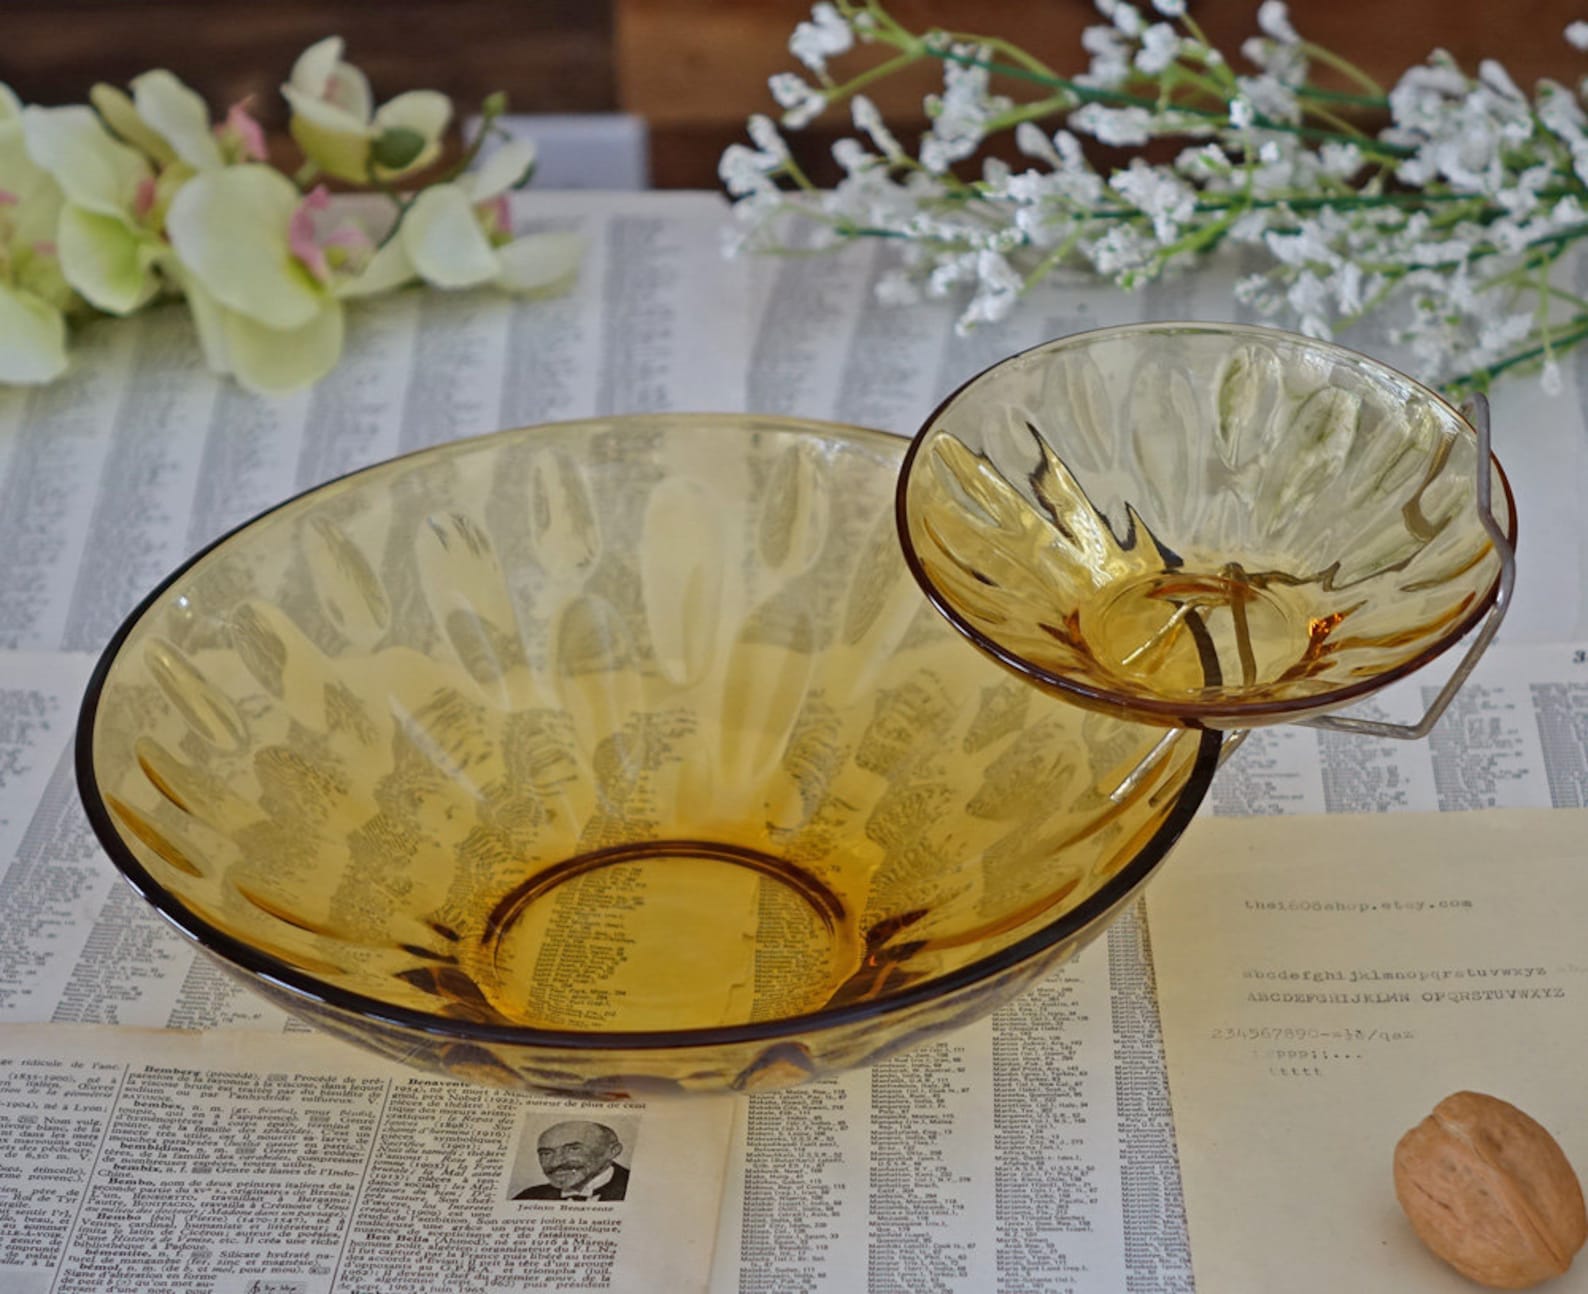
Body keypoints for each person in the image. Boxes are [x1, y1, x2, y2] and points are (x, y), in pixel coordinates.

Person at [514, 1120, 629, 1201]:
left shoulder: (638, 1191)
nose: (556, 1163)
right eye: (546, 1153)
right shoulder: (529, 1196)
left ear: (613, 1151)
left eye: (573, 1149)